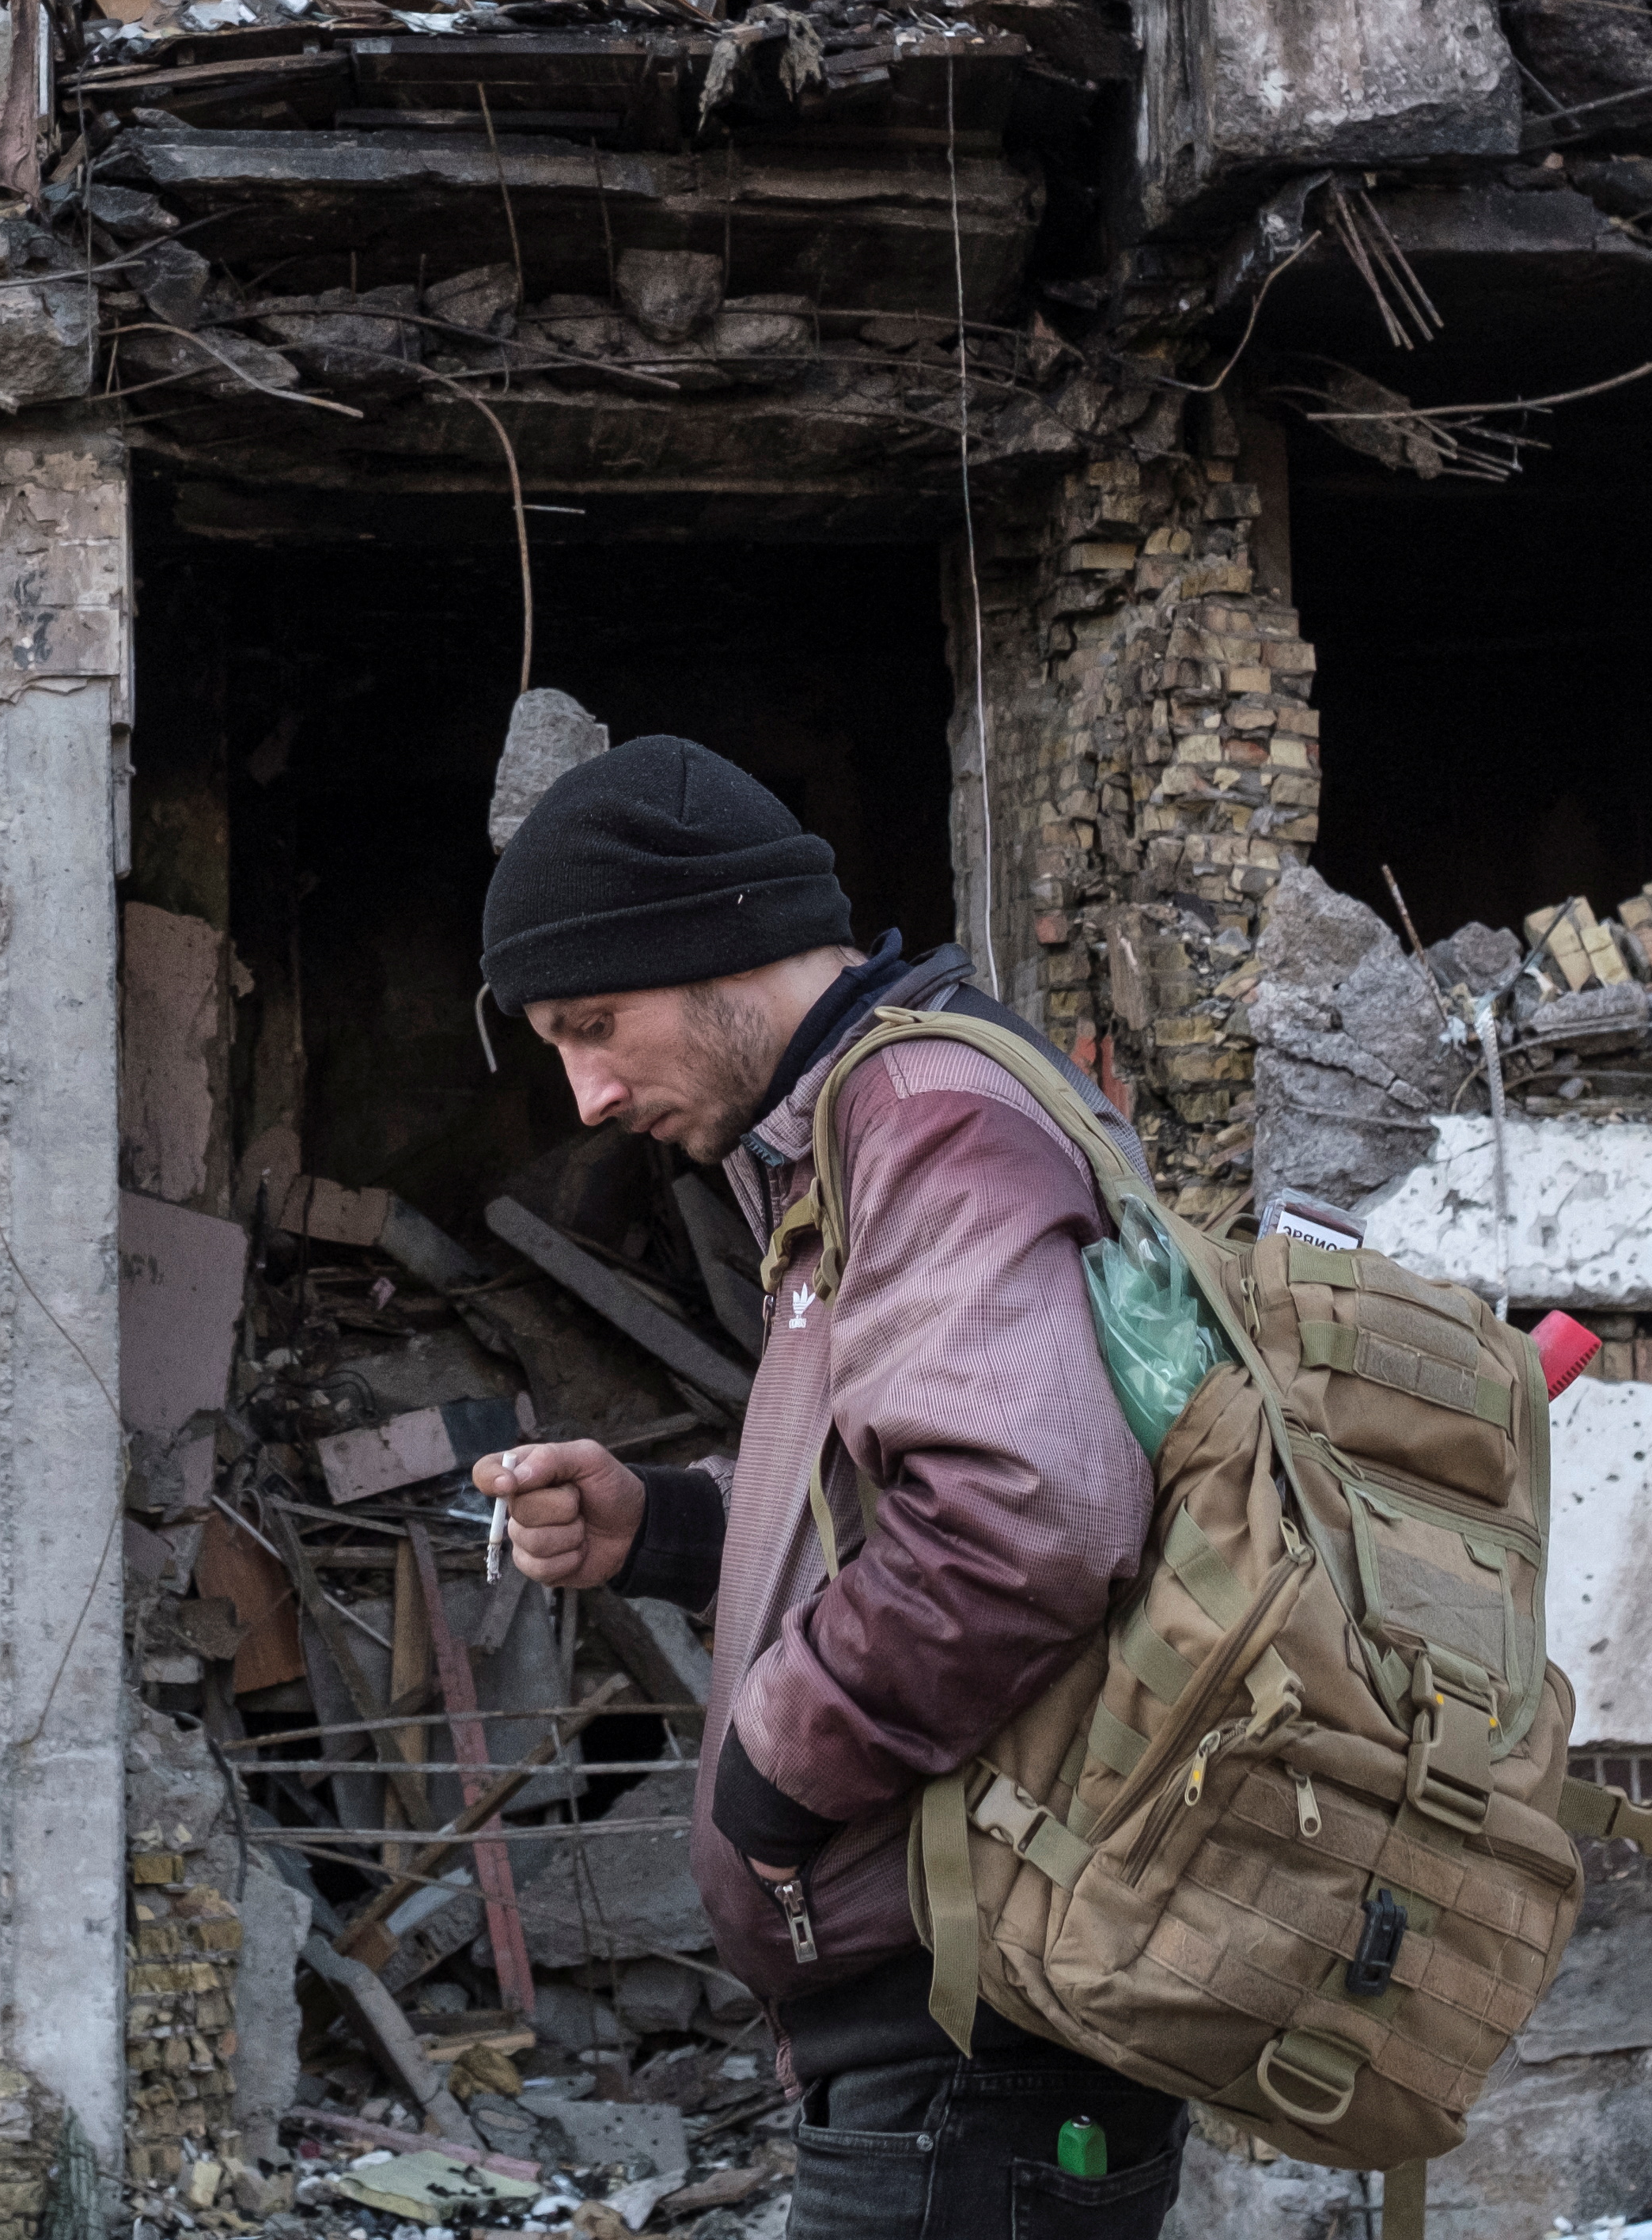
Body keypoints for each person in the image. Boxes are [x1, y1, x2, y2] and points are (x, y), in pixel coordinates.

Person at [463, 733, 1177, 2240]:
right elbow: (893, 1486)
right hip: (943, 2029)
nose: (587, 1094)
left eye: (600, 1023)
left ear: (728, 945)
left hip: (975, 2040)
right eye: (556, 1045)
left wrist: (770, 1773)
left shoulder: (921, 1116)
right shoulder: (839, 1134)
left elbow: (1022, 1521)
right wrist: (670, 1525)